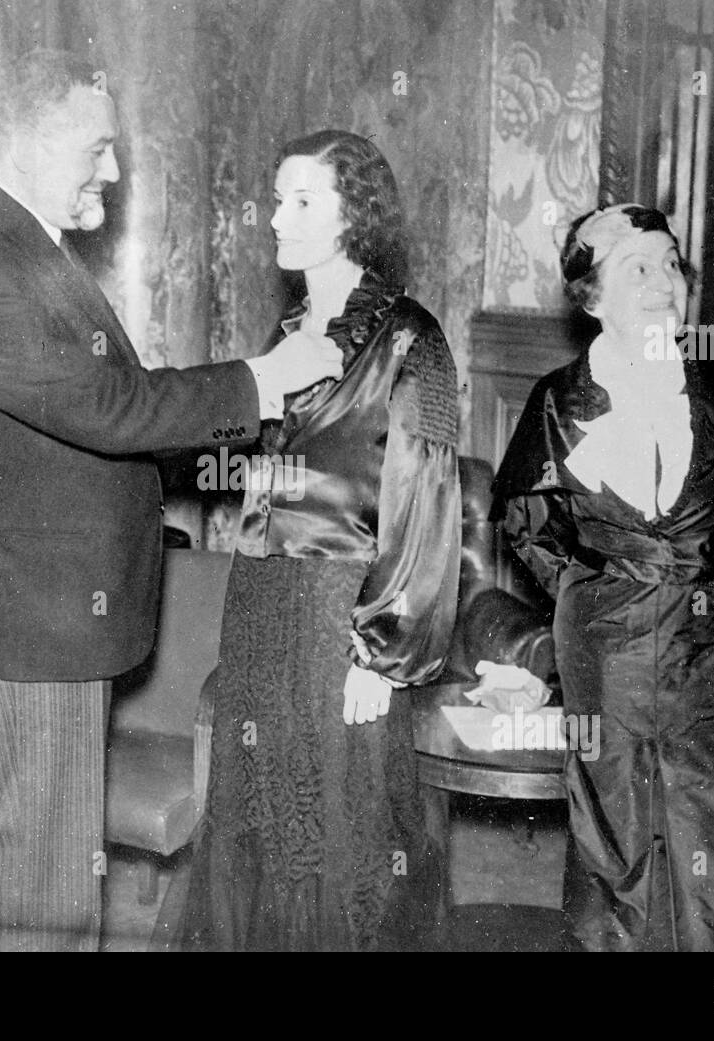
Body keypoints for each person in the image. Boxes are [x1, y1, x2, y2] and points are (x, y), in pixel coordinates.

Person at [0, 49, 341, 951]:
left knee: (39, 866)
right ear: (29, 139)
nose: (115, 170)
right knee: (43, 888)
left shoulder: (13, 245)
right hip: (30, 630)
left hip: (33, 619)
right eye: (97, 147)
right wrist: (262, 378)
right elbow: (107, 407)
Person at [176, 130, 462, 951]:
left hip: (345, 612)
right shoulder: (291, 331)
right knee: (255, 812)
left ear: (355, 215)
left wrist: (382, 651)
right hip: (261, 601)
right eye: (275, 199)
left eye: (300, 200)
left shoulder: (411, 338)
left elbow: (425, 499)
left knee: (344, 826)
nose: (274, 218)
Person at [491, 204, 714, 951]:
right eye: (638, 268)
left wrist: (710, 583)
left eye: (672, 263)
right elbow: (526, 522)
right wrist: (603, 587)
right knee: (616, 853)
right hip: (610, 662)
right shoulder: (558, 401)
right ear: (591, 297)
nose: (665, 283)